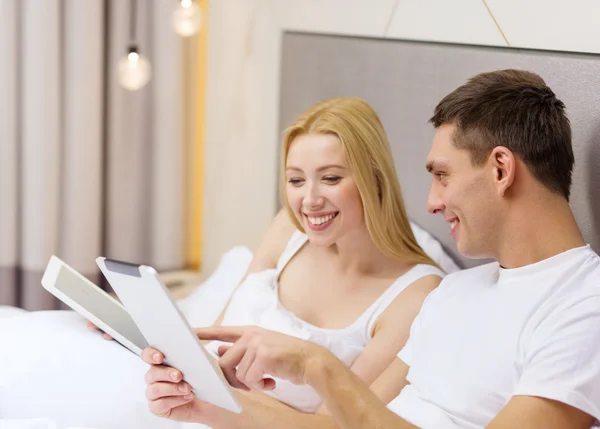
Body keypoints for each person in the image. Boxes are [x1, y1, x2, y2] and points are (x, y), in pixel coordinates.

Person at [141, 69, 600, 429]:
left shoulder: (583, 305)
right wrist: (198, 406)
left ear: (500, 169)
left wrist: (318, 366)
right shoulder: (456, 294)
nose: (432, 202)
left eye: (442, 175)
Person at [100, 97, 444, 414]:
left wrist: (209, 403)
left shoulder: (416, 296)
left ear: (374, 178)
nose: (309, 200)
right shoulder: (289, 230)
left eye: (330, 178)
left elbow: (341, 422)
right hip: (195, 406)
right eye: (296, 180)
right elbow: (215, 343)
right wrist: (153, 342)